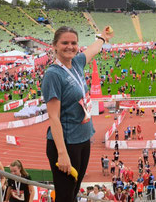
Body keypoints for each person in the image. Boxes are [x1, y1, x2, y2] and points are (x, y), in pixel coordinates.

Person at [43, 26, 114, 202]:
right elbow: (54, 117)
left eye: (73, 43)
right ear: (55, 46)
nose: (70, 46)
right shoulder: (53, 74)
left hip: (83, 139)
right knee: (65, 197)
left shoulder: (76, 63)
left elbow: (93, 49)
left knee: (73, 193)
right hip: (66, 144)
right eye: (64, 43)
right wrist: (62, 153)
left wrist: (103, 38)